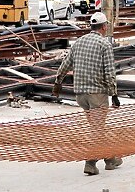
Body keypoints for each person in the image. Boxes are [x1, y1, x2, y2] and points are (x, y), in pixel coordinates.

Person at [52, 11, 122, 176]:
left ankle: (110, 159)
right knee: (97, 130)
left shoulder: (78, 42)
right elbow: (110, 73)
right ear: (104, 27)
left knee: (97, 127)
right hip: (96, 94)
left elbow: (65, 64)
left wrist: (57, 82)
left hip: (80, 95)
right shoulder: (104, 44)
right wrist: (114, 94)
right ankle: (90, 163)